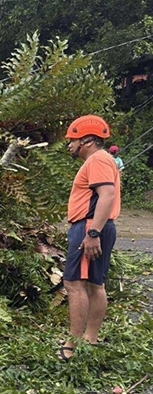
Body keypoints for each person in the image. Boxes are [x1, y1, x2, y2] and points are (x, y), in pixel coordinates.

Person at [57, 115, 121, 361]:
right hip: (97, 225)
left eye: (72, 140)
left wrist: (93, 232)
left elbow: (106, 195)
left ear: (87, 140)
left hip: (89, 225)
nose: (70, 145)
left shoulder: (97, 160)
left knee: (74, 284)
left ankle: (72, 345)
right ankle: (90, 340)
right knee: (95, 284)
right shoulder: (104, 160)